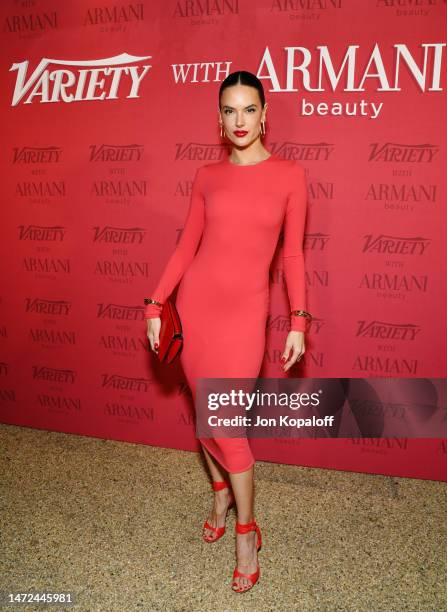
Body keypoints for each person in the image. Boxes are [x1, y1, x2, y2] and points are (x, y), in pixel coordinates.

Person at [144, 71, 311, 593]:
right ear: (220, 118)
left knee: (227, 425)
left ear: (266, 114)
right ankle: (219, 493)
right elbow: (184, 246)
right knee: (203, 410)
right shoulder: (206, 176)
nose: (240, 120)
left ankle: (246, 530)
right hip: (197, 307)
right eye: (230, 110)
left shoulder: (290, 176)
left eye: (249, 109)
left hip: (244, 316)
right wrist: (155, 302)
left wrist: (299, 320)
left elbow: (293, 255)